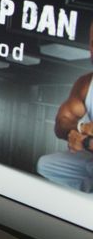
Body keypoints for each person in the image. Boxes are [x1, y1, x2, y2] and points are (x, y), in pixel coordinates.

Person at [37, 22, 93, 191]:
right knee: (46, 165)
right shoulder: (86, 83)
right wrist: (80, 127)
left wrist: (85, 143)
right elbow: (61, 125)